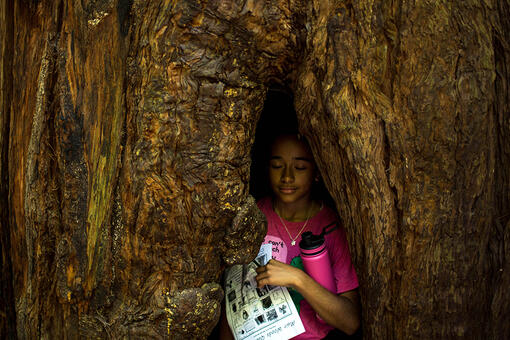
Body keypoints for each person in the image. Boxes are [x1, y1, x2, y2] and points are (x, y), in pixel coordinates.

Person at [220, 134, 360, 339]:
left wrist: (297, 278)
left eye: (300, 168)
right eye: (277, 166)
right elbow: (233, 307)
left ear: (316, 173)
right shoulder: (252, 217)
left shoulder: (331, 228)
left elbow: (350, 322)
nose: (287, 176)